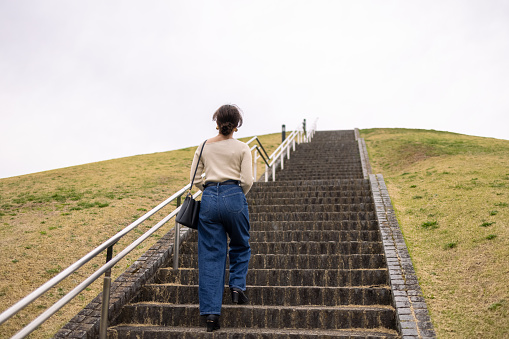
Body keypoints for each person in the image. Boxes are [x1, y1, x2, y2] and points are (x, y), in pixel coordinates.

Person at [190, 104, 254, 332]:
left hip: (208, 199)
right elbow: (247, 180)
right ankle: (237, 287)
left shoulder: (204, 145)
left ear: (216, 123)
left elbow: (195, 178)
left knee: (210, 256)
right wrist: (235, 196)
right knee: (240, 244)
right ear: (236, 126)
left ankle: (211, 316)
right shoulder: (243, 148)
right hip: (234, 195)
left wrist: (210, 191)